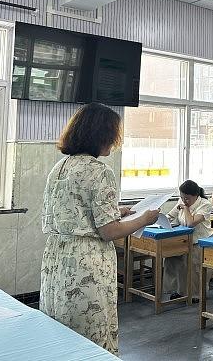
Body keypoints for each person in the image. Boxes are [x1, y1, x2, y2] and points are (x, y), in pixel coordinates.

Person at [40, 103, 159, 355]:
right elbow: (109, 232)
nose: (114, 142)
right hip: (87, 263)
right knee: (91, 330)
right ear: (100, 135)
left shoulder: (59, 168)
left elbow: (78, 212)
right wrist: (144, 219)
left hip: (57, 259)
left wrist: (118, 211)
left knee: (60, 329)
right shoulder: (99, 171)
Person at [164, 180, 213, 303]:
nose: (184, 200)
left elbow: (191, 223)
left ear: (196, 196)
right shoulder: (182, 200)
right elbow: (170, 216)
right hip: (183, 240)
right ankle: (180, 291)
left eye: (187, 198)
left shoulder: (205, 204)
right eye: (181, 197)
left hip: (201, 241)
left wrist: (186, 208)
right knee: (172, 259)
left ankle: (196, 294)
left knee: (192, 264)